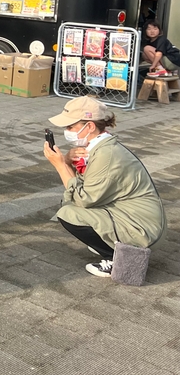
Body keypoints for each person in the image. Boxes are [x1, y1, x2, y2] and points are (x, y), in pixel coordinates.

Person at [43, 97, 165, 278]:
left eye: (70, 127)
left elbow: (83, 199)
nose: (66, 131)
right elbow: (80, 188)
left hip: (143, 228)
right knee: (69, 204)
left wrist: (60, 165)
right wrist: (67, 160)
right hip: (132, 215)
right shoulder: (99, 146)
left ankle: (120, 257)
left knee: (69, 213)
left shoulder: (105, 154)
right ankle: (110, 242)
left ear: (90, 126)